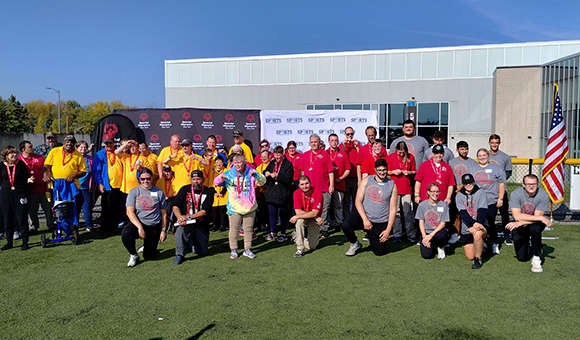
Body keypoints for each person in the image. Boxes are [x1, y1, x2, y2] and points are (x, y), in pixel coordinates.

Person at [341, 158, 397, 256]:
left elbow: (392, 209)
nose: (382, 172)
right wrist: (365, 219)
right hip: (364, 217)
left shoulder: (392, 185)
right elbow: (358, 201)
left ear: (387, 169)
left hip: (380, 221)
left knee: (379, 252)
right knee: (346, 226)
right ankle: (354, 243)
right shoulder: (367, 181)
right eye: (379, 170)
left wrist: (388, 230)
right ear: (375, 170)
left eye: (384, 170)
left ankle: (372, 236)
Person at [214, 154, 266, 259]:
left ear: (244, 162)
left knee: (248, 229)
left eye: (240, 162)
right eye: (235, 162)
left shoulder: (251, 172)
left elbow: (262, 182)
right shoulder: (228, 173)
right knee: (234, 229)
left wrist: (256, 175)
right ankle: (233, 250)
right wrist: (220, 177)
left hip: (249, 206)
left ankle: (247, 249)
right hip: (234, 207)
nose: (237, 164)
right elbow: (216, 182)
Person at [505, 174, 552, 273]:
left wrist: (520, 222)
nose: (531, 186)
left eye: (534, 184)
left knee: (534, 229)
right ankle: (532, 246)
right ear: (523, 184)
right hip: (521, 222)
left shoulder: (543, 194)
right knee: (522, 258)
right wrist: (541, 218)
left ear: (538, 184)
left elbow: (537, 218)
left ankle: (536, 257)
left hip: (534, 223)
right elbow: (517, 216)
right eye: (528, 184)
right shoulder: (515, 194)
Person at [122, 168, 167, 267]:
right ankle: (134, 255)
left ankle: (147, 245)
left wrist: (163, 230)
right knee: (126, 233)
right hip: (139, 222)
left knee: (149, 256)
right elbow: (129, 212)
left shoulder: (159, 192)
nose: (145, 181)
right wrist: (140, 227)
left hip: (154, 224)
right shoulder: (134, 192)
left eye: (148, 179)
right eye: (143, 179)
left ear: (152, 178)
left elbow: (163, 213)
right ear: (139, 179)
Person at [172, 170, 215, 264]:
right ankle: (180, 254)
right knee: (180, 230)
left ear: (203, 180)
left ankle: (190, 241)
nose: (196, 181)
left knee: (201, 252)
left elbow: (204, 212)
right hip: (185, 222)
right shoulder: (184, 189)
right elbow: (175, 206)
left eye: (198, 179)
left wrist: (188, 217)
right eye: (194, 179)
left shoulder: (209, 192)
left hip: (201, 224)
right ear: (191, 180)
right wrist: (180, 218)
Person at [44, 135, 87, 229]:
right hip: (56, 185)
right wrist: (46, 175)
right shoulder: (55, 151)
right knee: (57, 206)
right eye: (68, 141)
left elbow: (83, 171)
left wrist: (74, 175)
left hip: (72, 186)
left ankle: (72, 225)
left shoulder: (78, 155)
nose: (69, 143)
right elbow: (46, 165)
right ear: (63, 142)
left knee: (74, 205)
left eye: (72, 142)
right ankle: (59, 225)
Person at [413, 144, 455, 243]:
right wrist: (416, 194)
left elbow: (451, 184)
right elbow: (418, 181)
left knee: (440, 220)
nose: (438, 155)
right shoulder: (425, 165)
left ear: (443, 154)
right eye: (436, 153)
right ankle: (423, 237)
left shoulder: (447, 167)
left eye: (440, 153)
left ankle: (441, 241)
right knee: (424, 218)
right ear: (433, 154)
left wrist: (448, 197)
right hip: (425, 198)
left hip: (441, 200)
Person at [469, 148, 505, 255]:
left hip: (491, 200)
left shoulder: (496, 168)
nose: (482, 157)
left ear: (488, 156)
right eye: (480, 156)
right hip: (476, 201)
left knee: (490, 221)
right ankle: (481, 241)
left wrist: (500, 198)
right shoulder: (473, 168)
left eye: (484, 155)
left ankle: (494, 243)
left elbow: (501, 184)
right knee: (478, 221)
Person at [299, 134, 334, 238]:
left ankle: (323, 229)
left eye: (315, 142)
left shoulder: (325, 154)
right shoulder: (305, 155)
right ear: (310, 143)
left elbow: (331, 171)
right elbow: (302, 172)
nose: (314, 144)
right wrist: (302, 186)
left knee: (324, 209)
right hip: (309, 189)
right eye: (312, 142)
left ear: (320, 143)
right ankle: (309, 228)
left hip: (323, 188)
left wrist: (331, 185)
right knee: (309, 209)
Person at [0, 146, 33, 251]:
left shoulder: (21, 165)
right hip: (6, 194)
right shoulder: (1, 166)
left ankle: (25, 242)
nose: (14, 155)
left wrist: (28, 181)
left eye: (15, 152)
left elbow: (25, 178)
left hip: (20, 194)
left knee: (22, 218)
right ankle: (9, 242)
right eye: (11, 153)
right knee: (7, 218)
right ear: (5, 155)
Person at [18, 140, 54, 232]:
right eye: (29, 147)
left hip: (43, 189)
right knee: (32, 211)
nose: (32, 148)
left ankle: (51, 224)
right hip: (30, 191)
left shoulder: (39, 158)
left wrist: (48, 183)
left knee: (48, 209)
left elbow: (47, 170)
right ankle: (34, 227)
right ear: (23, 149)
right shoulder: (19, 161)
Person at [93, 134, 125, 236]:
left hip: (119, 185)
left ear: (114, 143)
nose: (108, 145)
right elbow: (96, 171)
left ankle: (114, 228)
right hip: (107, 186)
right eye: (106, 143)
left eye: (110, 143)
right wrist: (100, 183)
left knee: (117, 208)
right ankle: (105, 229)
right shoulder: (100, 154)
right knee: (106, 208)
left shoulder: (118, 153)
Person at [448, 141, 478, 244]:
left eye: (466, 149)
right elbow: (449, 177)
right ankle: (455, 234)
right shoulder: (451, 162)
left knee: (468, 212)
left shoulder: (473, 162)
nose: (464, 151)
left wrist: (461, 186)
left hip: (468, 192)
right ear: (457, 150)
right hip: (454, 192)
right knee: (455, 215)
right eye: (462, 149)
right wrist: (454, 188)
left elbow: (475, 178)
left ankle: (469, 233)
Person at [456, 173, 488, 269]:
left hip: (480, 224)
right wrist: (472, 224)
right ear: (463, 184)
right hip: (468, 227)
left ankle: (478, 259)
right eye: (465, 183)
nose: (468, 185)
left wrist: (477, 224)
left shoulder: (481, 192)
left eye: (470, 182)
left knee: (477, 234)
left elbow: (483, 210)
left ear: (474, 182)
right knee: (470, 256)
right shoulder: (459, 196)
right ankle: (483, 246)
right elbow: (463, 213)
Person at [387, 141, 417, 242]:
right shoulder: (391, 157)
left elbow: (414, 170)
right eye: (399, 152)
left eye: (403, 152)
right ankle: (397, 234)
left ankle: (410, 234)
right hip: (394, 188)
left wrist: (409, 172)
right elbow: (386, 171)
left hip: (407, 188)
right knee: (396, 212)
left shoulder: (411, 157)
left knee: (407, 212)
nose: (401, 154)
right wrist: (393, 172)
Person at [263, 146, 294, 242]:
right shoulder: (272, 163)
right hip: (272, 193)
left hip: (282, 193)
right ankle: (273, 232)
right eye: (275, 156)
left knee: (283, 214)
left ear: (282, 154)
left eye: (278, 156)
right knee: (272, 213)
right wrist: (266, 173)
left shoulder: (288, 164)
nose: (276, 158)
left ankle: (283, 233)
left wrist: (277, 175)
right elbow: (265, 171)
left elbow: (288, 178)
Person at [289, 175, 324, 257]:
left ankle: (297, 237)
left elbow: (315, 213)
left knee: (312, 247)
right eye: (302, 184)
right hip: (307, 217)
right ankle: (300, 249)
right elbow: (298, 211)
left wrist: (314, 216)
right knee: (299, 221)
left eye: (306, 183)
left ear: (310, 183)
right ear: (298, 185)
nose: (305, 186)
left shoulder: (317, 193)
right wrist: (314, 215)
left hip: (313, 219)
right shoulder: (296, 193)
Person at [488, 134, 513, 245]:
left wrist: (498, 181)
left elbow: (508, 172)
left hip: (502, 191)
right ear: (489, 143)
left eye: (496, 142)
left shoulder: (505, 157)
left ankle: (507, 234)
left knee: (505, 215)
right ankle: (489, 235)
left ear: (499, 143)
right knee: (490, 215)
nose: (494, 144)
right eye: (492, 142)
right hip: (489, 192)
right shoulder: (485, 156)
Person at [416, 183, 450, 259]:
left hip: (438, 231)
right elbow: (421, 222)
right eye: (432, 191)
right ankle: (431, 243)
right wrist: (425, 236)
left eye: (437, 191)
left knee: (441, 236)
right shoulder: (422, 205)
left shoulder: (443, 205)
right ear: (428, 192)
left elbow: (443, 224)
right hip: (426, 231)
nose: (435, 194)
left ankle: (440, 246)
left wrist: (430, 235)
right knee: (427, 256)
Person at [326, 134, 350, 230]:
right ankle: (325, 224)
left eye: (336, 140)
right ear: (329, 141)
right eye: (332, 140)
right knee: (326, 205)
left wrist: (341, 178)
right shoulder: (324, 153)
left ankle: (338, 223)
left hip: (340, 183)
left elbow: (348, 169)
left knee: (338, 205)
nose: (334, 142)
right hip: (327, 184)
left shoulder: (343, 154)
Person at [339, 126, 359, 218]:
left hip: (355, 176)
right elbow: (341, 156)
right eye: (348, 134)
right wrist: (343, 146)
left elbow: (361, 156)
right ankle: (346, 217)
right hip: (345, 177)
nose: (350, 136)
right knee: (346, 200)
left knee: (356, 199)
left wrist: (357, 147)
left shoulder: (357, 144)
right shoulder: (341, 145)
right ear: (344, 135)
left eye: (351, 134)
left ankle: (354, 217)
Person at [75, 140, 94, 231]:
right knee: (76, 207)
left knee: (87, 206)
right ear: (77, 148)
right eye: (81, 147)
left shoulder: (89, 158)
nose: (83, 149)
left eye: (85, 147)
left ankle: (89, 225)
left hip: (86, 187)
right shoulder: (74, 158)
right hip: (75, 187)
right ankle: (75, 224)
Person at [211, 156, 228, 232]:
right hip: (215, 192)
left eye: (220, 162)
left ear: (223, 163)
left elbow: (228, 183)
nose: (218, 164)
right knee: (215, 210)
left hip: (224, 192)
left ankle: (223, 225)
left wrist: (222, 192)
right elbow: (210, 183)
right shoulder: (212, 172)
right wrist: (215, 192)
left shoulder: (226, 171)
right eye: (217, 162)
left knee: (222, 209)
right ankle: (215, 225)